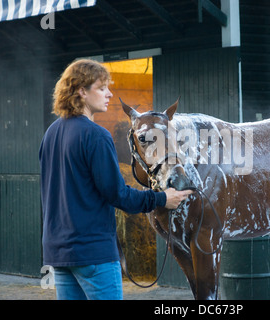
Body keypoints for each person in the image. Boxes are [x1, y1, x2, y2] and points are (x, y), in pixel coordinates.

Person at [39, 59, 192, 300]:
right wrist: (162, 198)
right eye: (102, 88)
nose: (110, 94)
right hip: (93, 253)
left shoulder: (51, 133)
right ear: (82, 91)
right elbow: (117, 195)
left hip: (58, 252)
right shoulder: (97, 136)